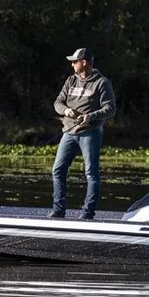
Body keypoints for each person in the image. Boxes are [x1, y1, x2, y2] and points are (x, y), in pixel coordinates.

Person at [50, 48, 116, 220]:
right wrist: (65, 110)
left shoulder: (102, 83)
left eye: (74, 61)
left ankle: (87, 213)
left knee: (91, 173)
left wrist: (91, 117)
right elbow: (57, 102)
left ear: (84, 62)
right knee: (57, 170)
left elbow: (110, 108)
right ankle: (58, 210)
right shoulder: (71, 80)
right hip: (69, 133)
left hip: (90, 133)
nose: (72, 64)